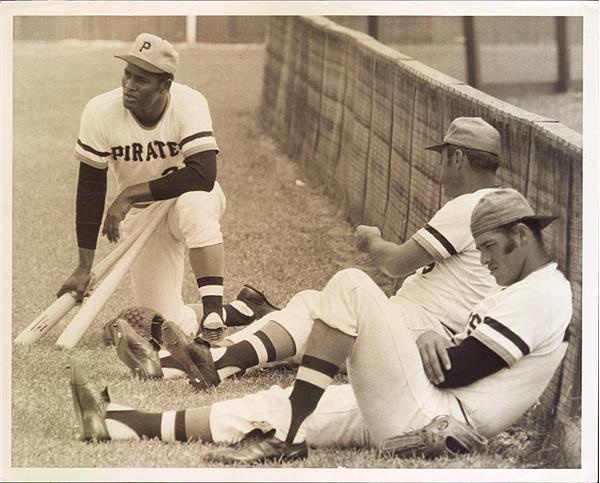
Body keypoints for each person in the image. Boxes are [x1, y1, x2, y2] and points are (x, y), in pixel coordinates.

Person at [68, 188, 571, 465]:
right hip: (426, 411)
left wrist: (425, 336)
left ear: (521, 236)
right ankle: (121, 422)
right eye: (479, 248)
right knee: (284, 401)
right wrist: (429, 339)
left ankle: (283, 436)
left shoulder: (543, 294)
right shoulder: (524, 291)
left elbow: (456, 371)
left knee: (351, 286)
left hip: (438, 417)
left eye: (488, 248)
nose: (483, 260)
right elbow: (458, 363)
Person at [111, 117, 503, 387]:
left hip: (421, 331)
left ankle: (188, 363)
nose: (441, 170)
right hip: (425, 330)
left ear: (457, 158)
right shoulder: (498, 206)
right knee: (311, 315)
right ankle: (215, 350)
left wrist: (371, 240)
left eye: (443, 159)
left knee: (317, 310)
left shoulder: (469, 205)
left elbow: (396, 262)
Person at [56, 33, 231, 342]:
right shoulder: (100, 111)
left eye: (142, 80)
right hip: (142, 220)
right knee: (163, 328)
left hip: (184, 203)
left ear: (165, 86)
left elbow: (203, 174)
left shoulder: (189, 102)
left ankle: (214, 315)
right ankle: (241, 309)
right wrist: (85, 266)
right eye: (128, 74)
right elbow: (90, 190)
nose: (129, 85)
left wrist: (129, 194)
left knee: (195, 202)